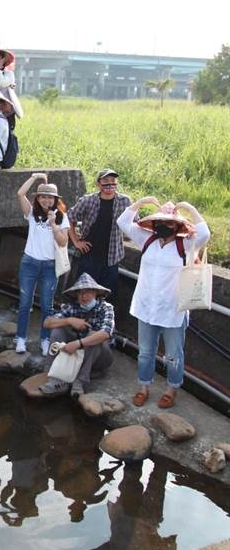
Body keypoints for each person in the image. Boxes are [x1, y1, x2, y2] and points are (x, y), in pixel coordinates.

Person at [116, 198, 210, 409]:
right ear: (155, 223)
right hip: (146, 306)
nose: (164, 226)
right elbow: (123, 222)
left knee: (174, 355)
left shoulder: (184, 244)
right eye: (161, 222)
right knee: (145, 352)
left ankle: (171, 389)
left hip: (173, 310)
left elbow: (205, 234)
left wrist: (189, 208)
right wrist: (143, 202)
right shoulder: (146, 239)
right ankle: (143, 388)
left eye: (170, 223)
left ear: (177, 226)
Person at [15, 174, 70, 356]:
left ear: (55, 200)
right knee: (25, 303)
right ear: (38, 198)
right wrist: (35, 177)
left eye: (50, 197)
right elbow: (20, 194)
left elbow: (63, 243)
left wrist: (53, 224)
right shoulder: (31, 213)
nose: (47, 200)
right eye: (43, 196)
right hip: (29, 263)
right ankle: (21, 338)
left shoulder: (62, 217)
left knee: (47, 306)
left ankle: (45, 340)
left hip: (49, 266)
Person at [40, 273, 116, 399]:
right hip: (75, 357)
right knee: (57, 330)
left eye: (88, 292)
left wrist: (78, 344)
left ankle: (80, 382)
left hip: (100, 358)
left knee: (94, 336)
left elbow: (106, 334)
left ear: (96, 293)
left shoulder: (106, 308)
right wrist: (69, 320)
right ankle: (53, 375)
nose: (83, 296)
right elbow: (47, 323)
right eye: (80, 293)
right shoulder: (72, 307)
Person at [68, 168, 131, 299]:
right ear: (98, 184)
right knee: (84, 295)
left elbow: (135, 223)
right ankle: (81, 320)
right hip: (88, 256)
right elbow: (69, 218)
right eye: (106, 181)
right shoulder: (88, 200)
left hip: (112, 258)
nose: (110, 184)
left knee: (107, 297)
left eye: (113, 181)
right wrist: (76, 242)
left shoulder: (124, 201)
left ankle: (103, 319)